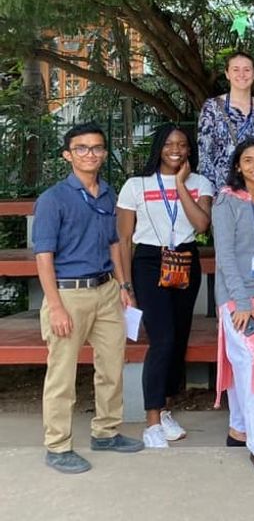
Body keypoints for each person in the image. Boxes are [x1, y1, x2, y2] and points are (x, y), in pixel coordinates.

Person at [33, 123, 144, 473]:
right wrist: (55, 306)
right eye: (81, 148)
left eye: (96, 148)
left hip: (107, 290)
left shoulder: (108, 194)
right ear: (68, 155)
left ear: (104, 153)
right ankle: (58, 445)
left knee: (112, 366)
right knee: (62, 375)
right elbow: (43, 256)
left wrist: (124, 288)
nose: (90, 154)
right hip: (68, 294)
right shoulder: (53, 199)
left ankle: (106, 432)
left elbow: (115, 245)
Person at [117, 125, 214, 449]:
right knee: (163, 339)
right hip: (148, 261)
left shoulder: (200, 183)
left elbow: (201, 225)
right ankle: (152, 421)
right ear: (158, 147)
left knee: (179, 339)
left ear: (189, 150)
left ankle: (167, 408)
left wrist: (182, 186)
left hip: (185, 259)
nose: (176, 149)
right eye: (170, 144)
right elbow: (124, 239)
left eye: (183, 145)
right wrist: (125, 284)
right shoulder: (135, 185)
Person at [212, 139, 254, 475]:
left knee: (251, 363)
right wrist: (240, 301)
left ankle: (239, 429)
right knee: (252, 365)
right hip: (237, 298)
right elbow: (224, 257)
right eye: (248, 160)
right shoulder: (226, 201)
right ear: (238, 166)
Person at [198, 50, 254, 189]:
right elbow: (205, 155)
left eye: (247, 70)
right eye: (235, 69)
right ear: (227, 74)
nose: (241, 75)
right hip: (222, 190)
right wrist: (210, 192)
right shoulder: (212, 108)